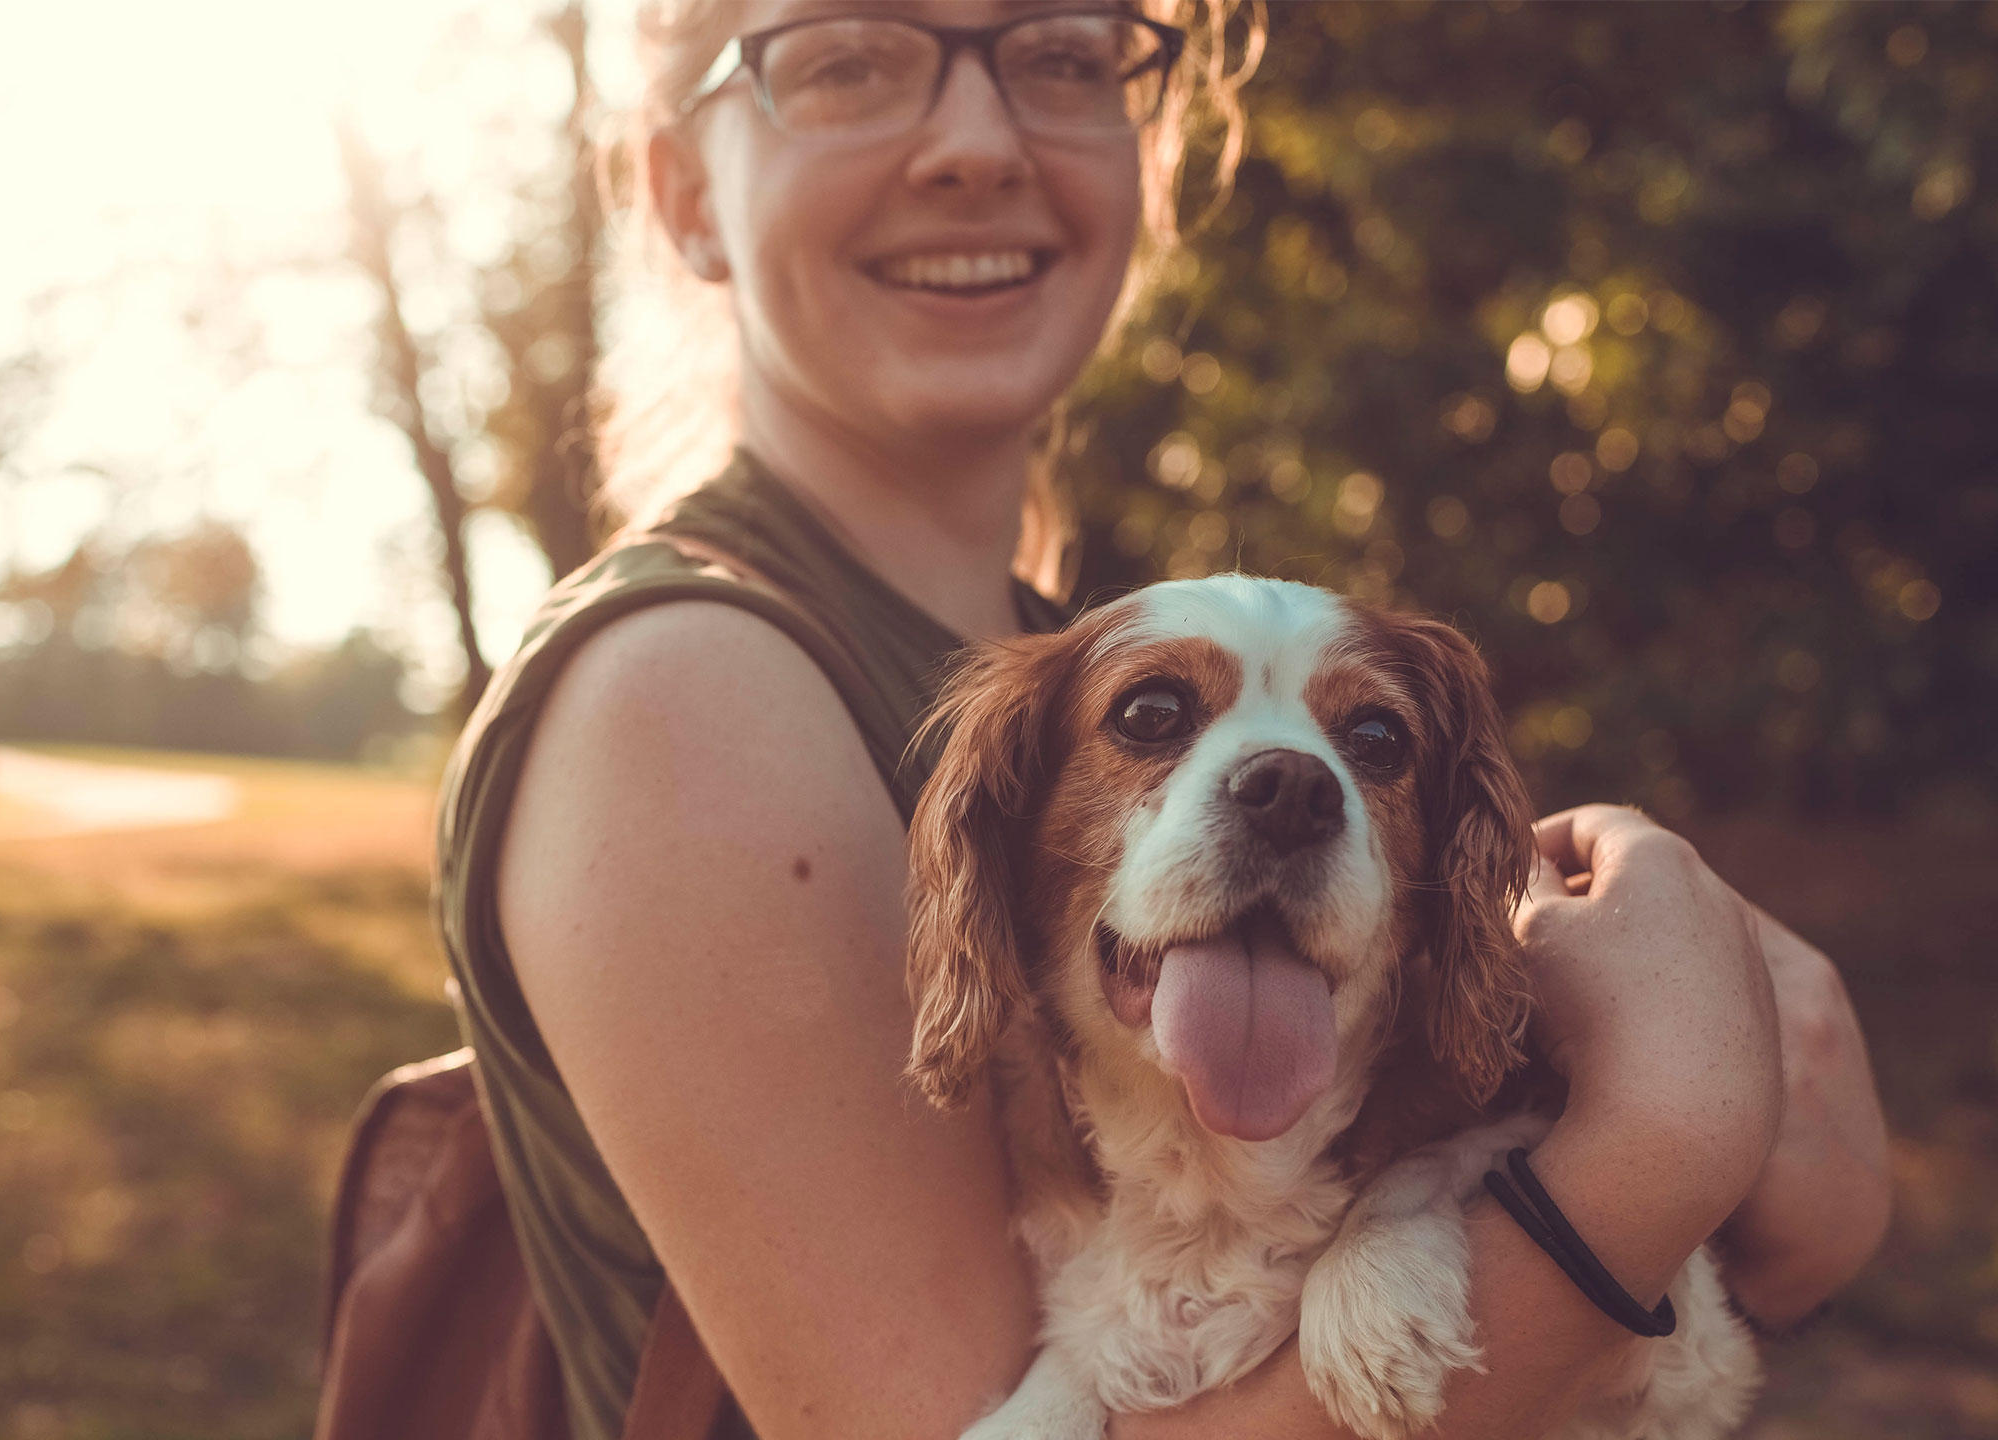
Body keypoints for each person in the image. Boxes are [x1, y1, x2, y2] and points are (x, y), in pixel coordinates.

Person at [436, 3, 1893, 1438]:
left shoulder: (1050, 645)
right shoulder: (683, 689)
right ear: (682, 188)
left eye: (1061, 53)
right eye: (849, 57)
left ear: (1148, 154)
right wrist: (1667, 1149)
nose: (974, 142)